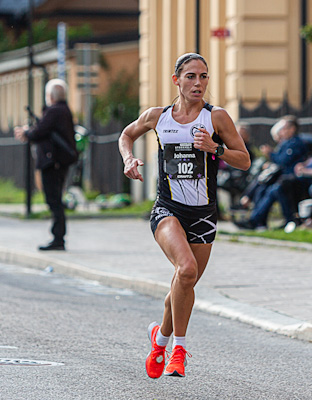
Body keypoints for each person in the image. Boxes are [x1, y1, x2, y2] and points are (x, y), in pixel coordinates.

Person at [118, 53, 250, 378]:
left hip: (204, 214)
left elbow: (244, 160)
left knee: (183, 283)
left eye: (204, 77)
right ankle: (178, 350)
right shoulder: (157, 116)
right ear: (176, 80)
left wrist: (215, 149)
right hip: (168, 209)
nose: (198, 83)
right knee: (186, 268)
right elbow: (126, 135)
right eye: (191, 76)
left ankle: (158, 341)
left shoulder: (216, 117)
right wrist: (128, 160)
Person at [14, 79, 77, 251]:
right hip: (58, 161)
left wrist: (26, 133)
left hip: (52, 162)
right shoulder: (64, 110)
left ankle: (58, 238)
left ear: (50, 96)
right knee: (55, 198)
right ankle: (58, 237)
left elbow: (41, 131)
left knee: (53, 199)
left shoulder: (55, 111)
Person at [235, 115, 308, 230]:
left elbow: (283, 161)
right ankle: (259, 222)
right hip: (282, 179)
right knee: (262, 189)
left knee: (273, 190)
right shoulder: (285, 143)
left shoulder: (296, 143)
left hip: (292, 181)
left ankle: (256, 220)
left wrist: (270, 153)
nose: (281, 132)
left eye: (283, 128)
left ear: (292, 129)